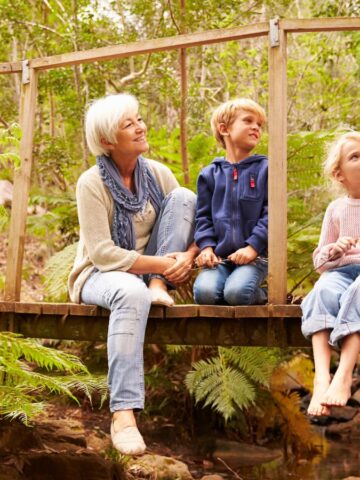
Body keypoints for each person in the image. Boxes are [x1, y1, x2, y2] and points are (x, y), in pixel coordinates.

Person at [68, 93, 198, 454]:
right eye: (129, 124)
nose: (141, 127)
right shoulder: (91, 183)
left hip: (152, 274)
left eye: (139, 119)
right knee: (130, 292)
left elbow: (193, 225)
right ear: (108, 140)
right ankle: (123, 414)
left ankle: (157, 286)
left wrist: (187, 257)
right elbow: (103, 253)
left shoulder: (158, 173)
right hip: (100, 274)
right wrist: (164, 264)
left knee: (185, 197)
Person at [301, 131, 360, 416]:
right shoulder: (336, 209)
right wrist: (334, 250)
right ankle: (321, 375)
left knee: (355, 292)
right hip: (342, 270)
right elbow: (320, 264)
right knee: (322, 290)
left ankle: (344, 373)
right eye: (355, 157)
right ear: (339, 175)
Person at [193, 98, 268, 306]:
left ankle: (267, 294)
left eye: (259, 125)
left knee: (237, 294)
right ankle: (231, 288)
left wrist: (253, 247)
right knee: (204, 294)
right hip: (221, 260)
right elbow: (203, 217)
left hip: (256, 257)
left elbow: (272, 214)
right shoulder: (209, 174)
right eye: (248, 121)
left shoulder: (266, 169)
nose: (255, 127)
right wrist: (207, 248)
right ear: (224, 129)